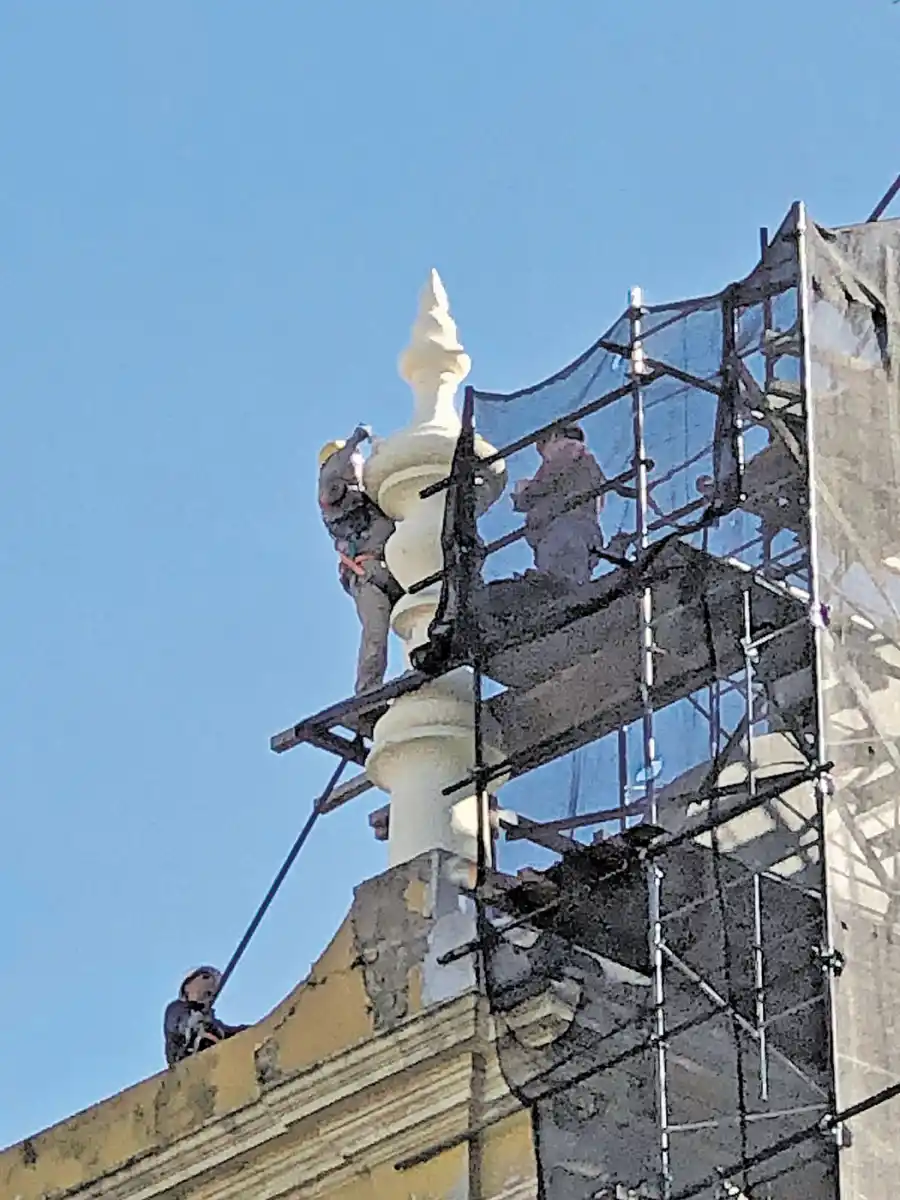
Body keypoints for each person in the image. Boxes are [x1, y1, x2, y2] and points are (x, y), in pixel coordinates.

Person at [318, 426, 403, 696]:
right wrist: (355, 440)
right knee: (375, 635)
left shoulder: (369, 499)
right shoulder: (333, 496)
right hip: (367, 575)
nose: (356, 464)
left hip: (393, 571)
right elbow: (334, 470)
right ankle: (368, 693)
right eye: (353, 459)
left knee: (420, 614)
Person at [512, 423, 607, 586]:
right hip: (581, 528)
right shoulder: (585, 462)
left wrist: (524, 492)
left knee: (559, 578)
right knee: (572, 576)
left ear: (554, 437)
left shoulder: (567, 449)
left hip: (565, 526)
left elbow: (546, 483)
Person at [163, 966, 248, 1067]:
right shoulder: (176, 1008)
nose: (210, 987)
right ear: (187, 986)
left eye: (210, 993)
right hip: (184, 1061)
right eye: (205, 977)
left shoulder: (209, 1019)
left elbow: (227, 1031)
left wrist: (250, 1029)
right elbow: (182, 1024)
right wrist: (197, 1023)